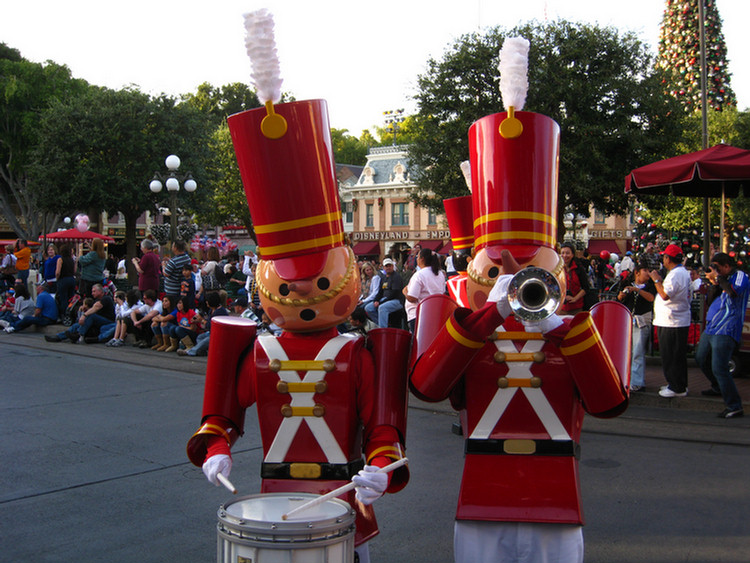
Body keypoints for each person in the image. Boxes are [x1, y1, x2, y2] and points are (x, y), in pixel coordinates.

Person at [187, 97, 409, 562]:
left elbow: (382, 431)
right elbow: (222, 416)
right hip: (273, 503)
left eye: (318, 278)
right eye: (289, 280)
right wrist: (215, 446)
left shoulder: (357, 352)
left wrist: (383, 468)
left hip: (343, 505)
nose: (304, 289)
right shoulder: (260, 350)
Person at [409, 102, 629, 563]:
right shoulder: (466, 327)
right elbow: (427, 387)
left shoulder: (578, 331)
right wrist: (490, 312)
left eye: (535, 271)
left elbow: (608, 403)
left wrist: (553, 324)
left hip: (558, 503)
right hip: (480, 501)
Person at [695, 252, 749, 418]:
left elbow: (733, 292)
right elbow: (711, 300)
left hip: (727, 327)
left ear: (727, 266)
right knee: (701, 357)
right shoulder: (721, 280)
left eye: (718, 267)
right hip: (713, 326)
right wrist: (713, 284)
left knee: (719, 367)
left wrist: (718, 278)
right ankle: (718, 386)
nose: (715, 271)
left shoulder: (740, 276)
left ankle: (734, 405)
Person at [651, 243, 692, 397]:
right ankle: (678, 384)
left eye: (664, 257)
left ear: (668, 258)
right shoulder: (682, 273)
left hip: (672, 321)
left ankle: (676, 387)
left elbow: (665, 295)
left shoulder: (676, 274)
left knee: (671, 355)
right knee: (677, 355)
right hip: (676, 319)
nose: (663, 259)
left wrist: (656, 280)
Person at [617, 264, 656, 392]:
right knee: (626, 351)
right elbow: (619, 298)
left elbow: (651, 298)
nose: (648, 273)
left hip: (642, 321)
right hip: (627, 321)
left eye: (649, 271)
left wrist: (636, 290)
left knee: (638, 351)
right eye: (645, 270)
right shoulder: (625, 284)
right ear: (637, 272)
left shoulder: (650, 287)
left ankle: (637, 381)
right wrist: (622, 295)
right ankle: (625, 379)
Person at [403, 248, 447, 332]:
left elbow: (412, 298)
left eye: (418, 257)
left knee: (419, 341)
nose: (417, 259)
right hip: (435, 313)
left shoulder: (419, 275)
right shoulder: (440, 274)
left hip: (418, 314)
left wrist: (405, 291)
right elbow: (443, 292)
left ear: (422, 259)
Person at [364, 258, 405, 327]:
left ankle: (383, 329)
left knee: (382, 308)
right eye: (386, 266)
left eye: (389, 266)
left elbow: (394, 293)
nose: (388, 268)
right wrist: (376, 300)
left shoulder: (396, 277)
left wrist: (380, 302)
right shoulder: (383, 278)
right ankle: (382, 324)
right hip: (385, 299)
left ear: (392, 266)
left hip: (397, 300)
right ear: (383, 267)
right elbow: (380, 291)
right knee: (368, 308)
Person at [560, 242, 589, 314]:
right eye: (562, 253)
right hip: (560, 307)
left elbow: (586, 287)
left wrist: (575, 298)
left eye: (567, 253)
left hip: (576, 308)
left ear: (572, 255)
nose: (565, 255)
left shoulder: (579, 268)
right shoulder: (557, 269)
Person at [54, 244, 77, 319]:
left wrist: (57, 279)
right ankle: (71, 313)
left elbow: (58, 272)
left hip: (63, 279)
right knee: (71, 298)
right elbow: (75, 271)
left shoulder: (60, 259)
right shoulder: (72, 260)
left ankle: (64, 314)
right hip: (71, 279)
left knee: (63, 298)